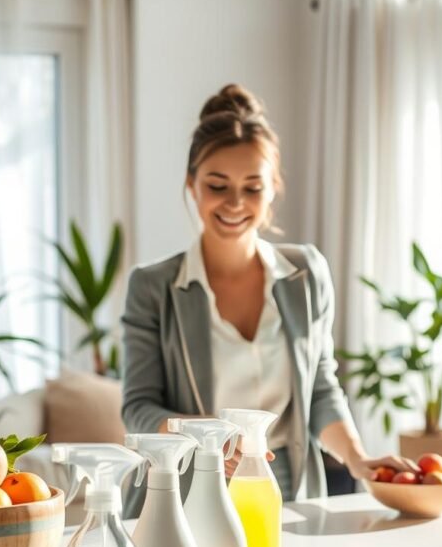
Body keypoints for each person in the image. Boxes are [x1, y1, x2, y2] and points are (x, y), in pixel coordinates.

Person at [121, 83, 415, 508]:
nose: (235, 203)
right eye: (217, 186)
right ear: (192, 184)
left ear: (273, 186)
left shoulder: (305, 274)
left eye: (253, 187)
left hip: (289, 491)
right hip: (186, 495)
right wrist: (208, 436)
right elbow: (138, 408)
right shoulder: (153, 287)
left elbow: (319, 390)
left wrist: (358, 459)